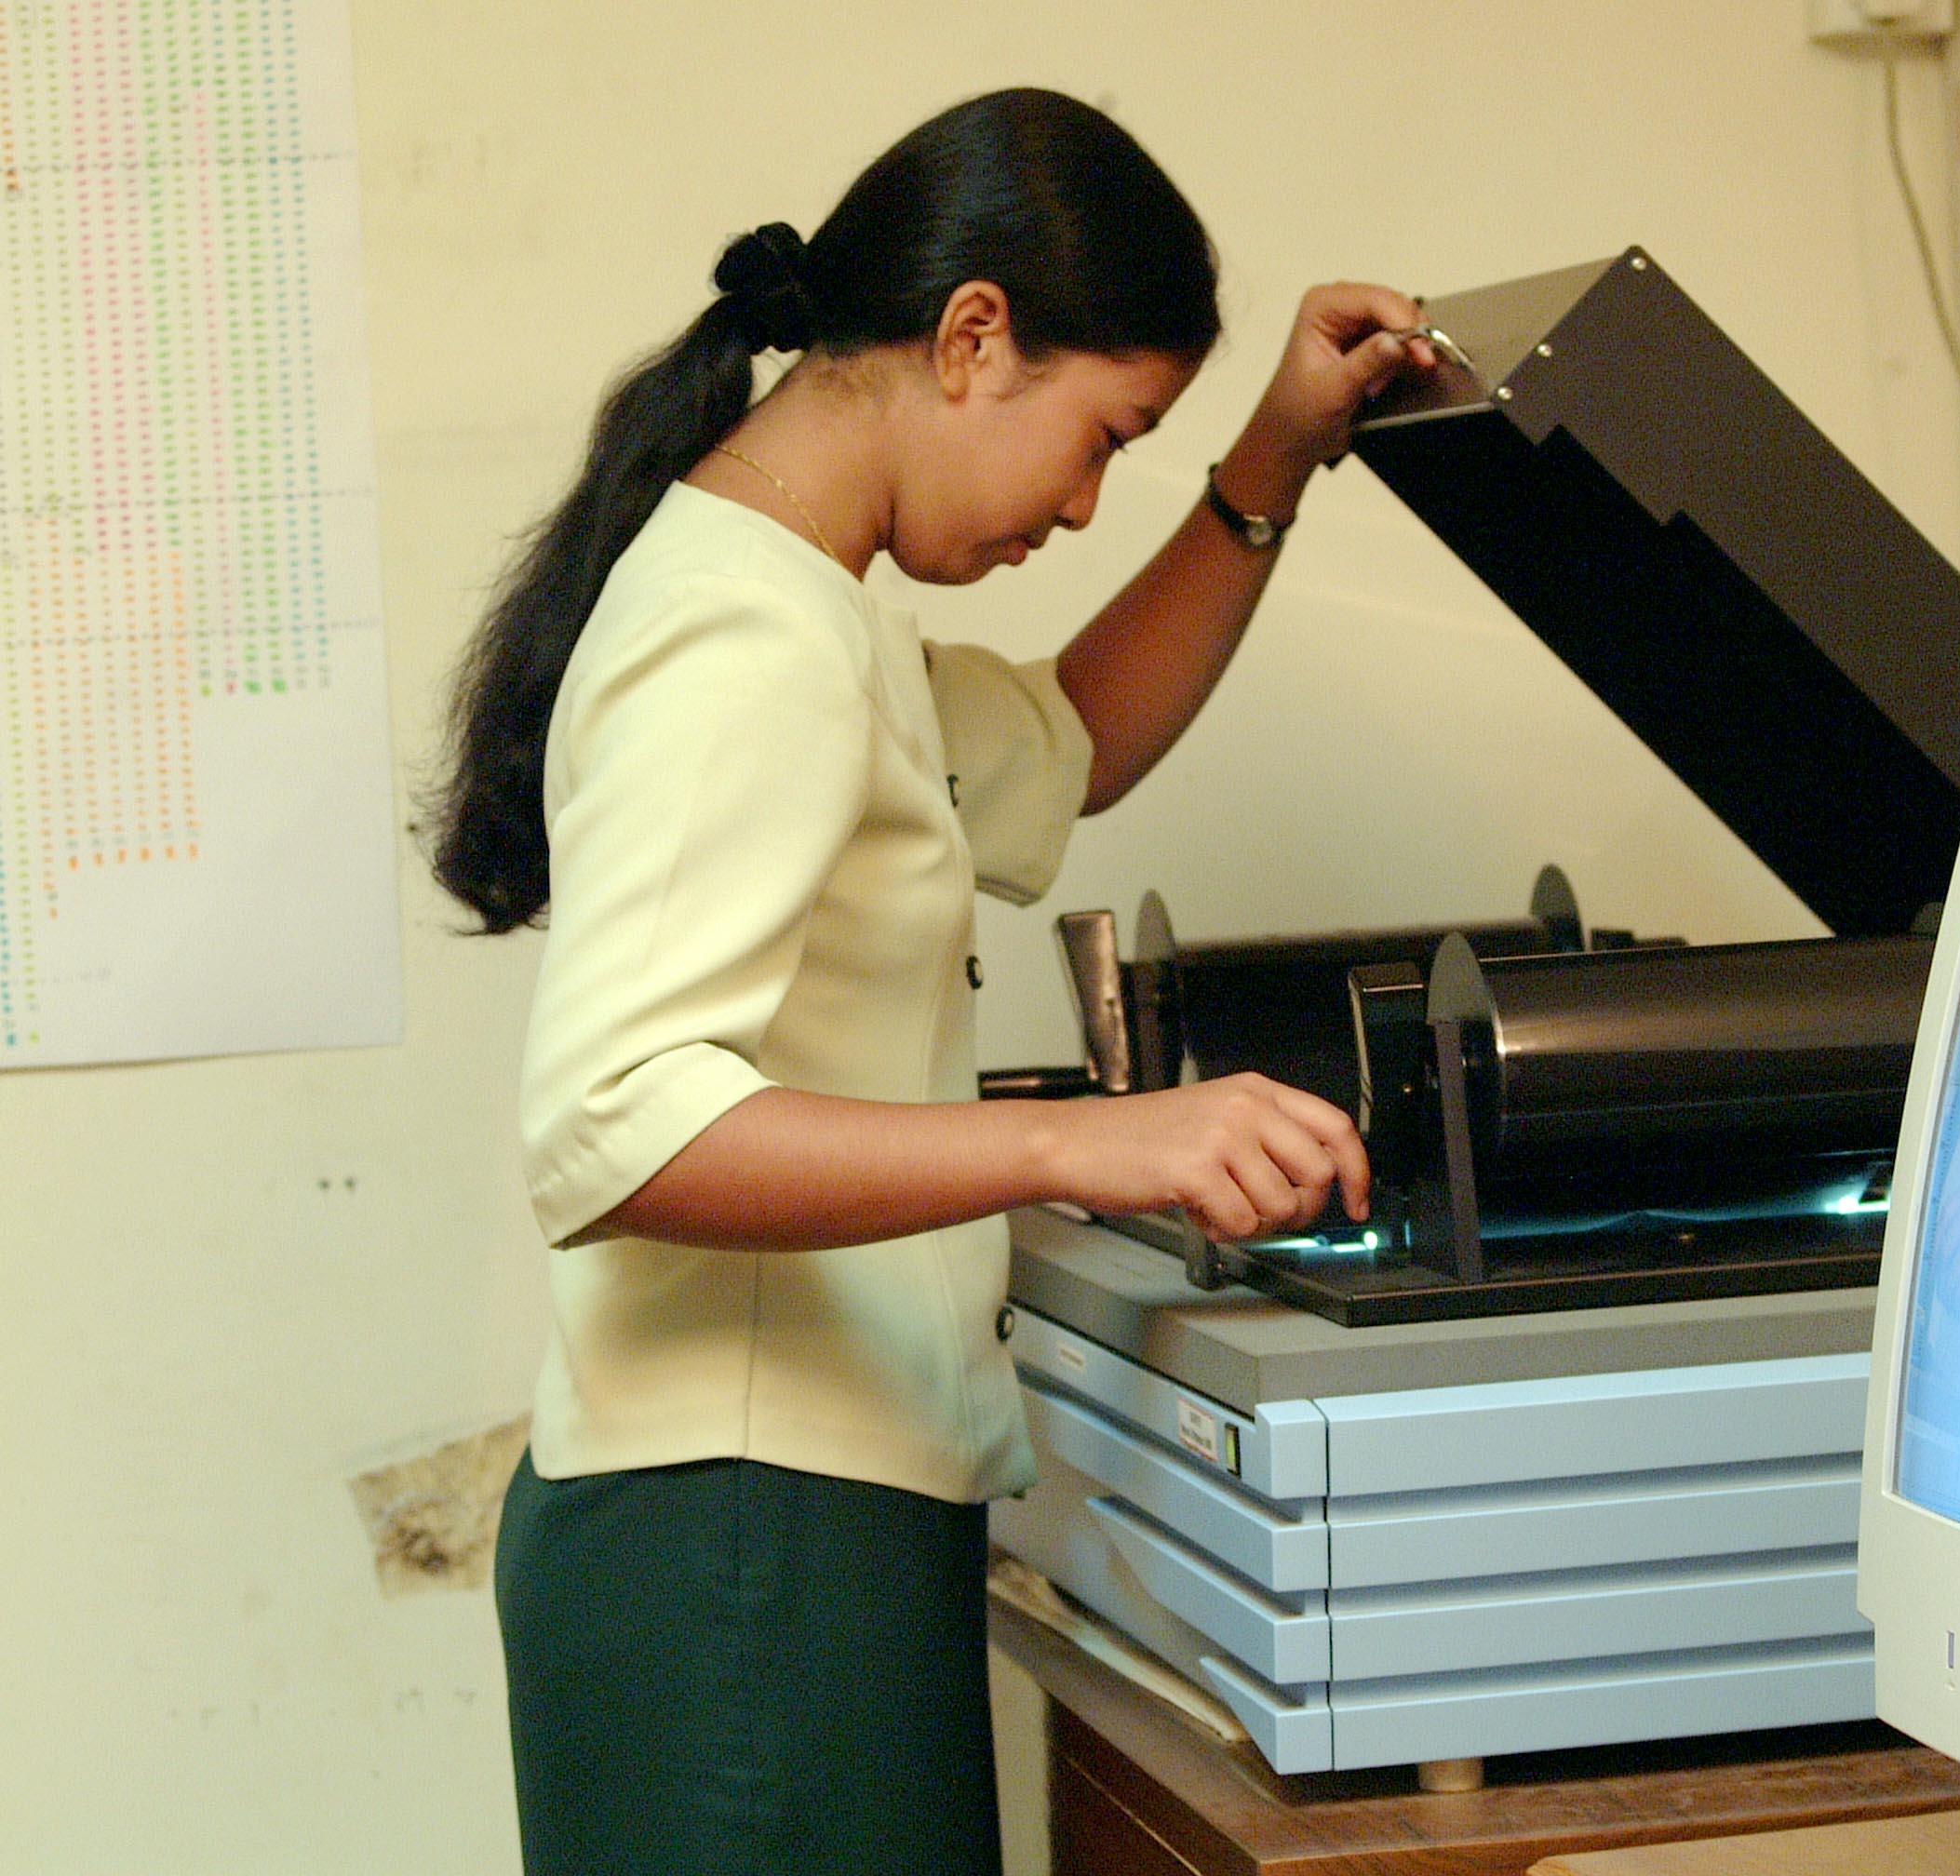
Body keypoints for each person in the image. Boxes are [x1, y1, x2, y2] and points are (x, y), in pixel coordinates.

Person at [426, 87, 1435, 1875]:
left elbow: (1074, 739)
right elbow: (612, 1126)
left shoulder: (809, 606)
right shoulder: (744, 635)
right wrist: (1083, 1143)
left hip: (783, 1535)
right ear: (974, 337)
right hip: (739, 1561)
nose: (1085, 501)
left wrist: (1273, 460)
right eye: (1102, 437)